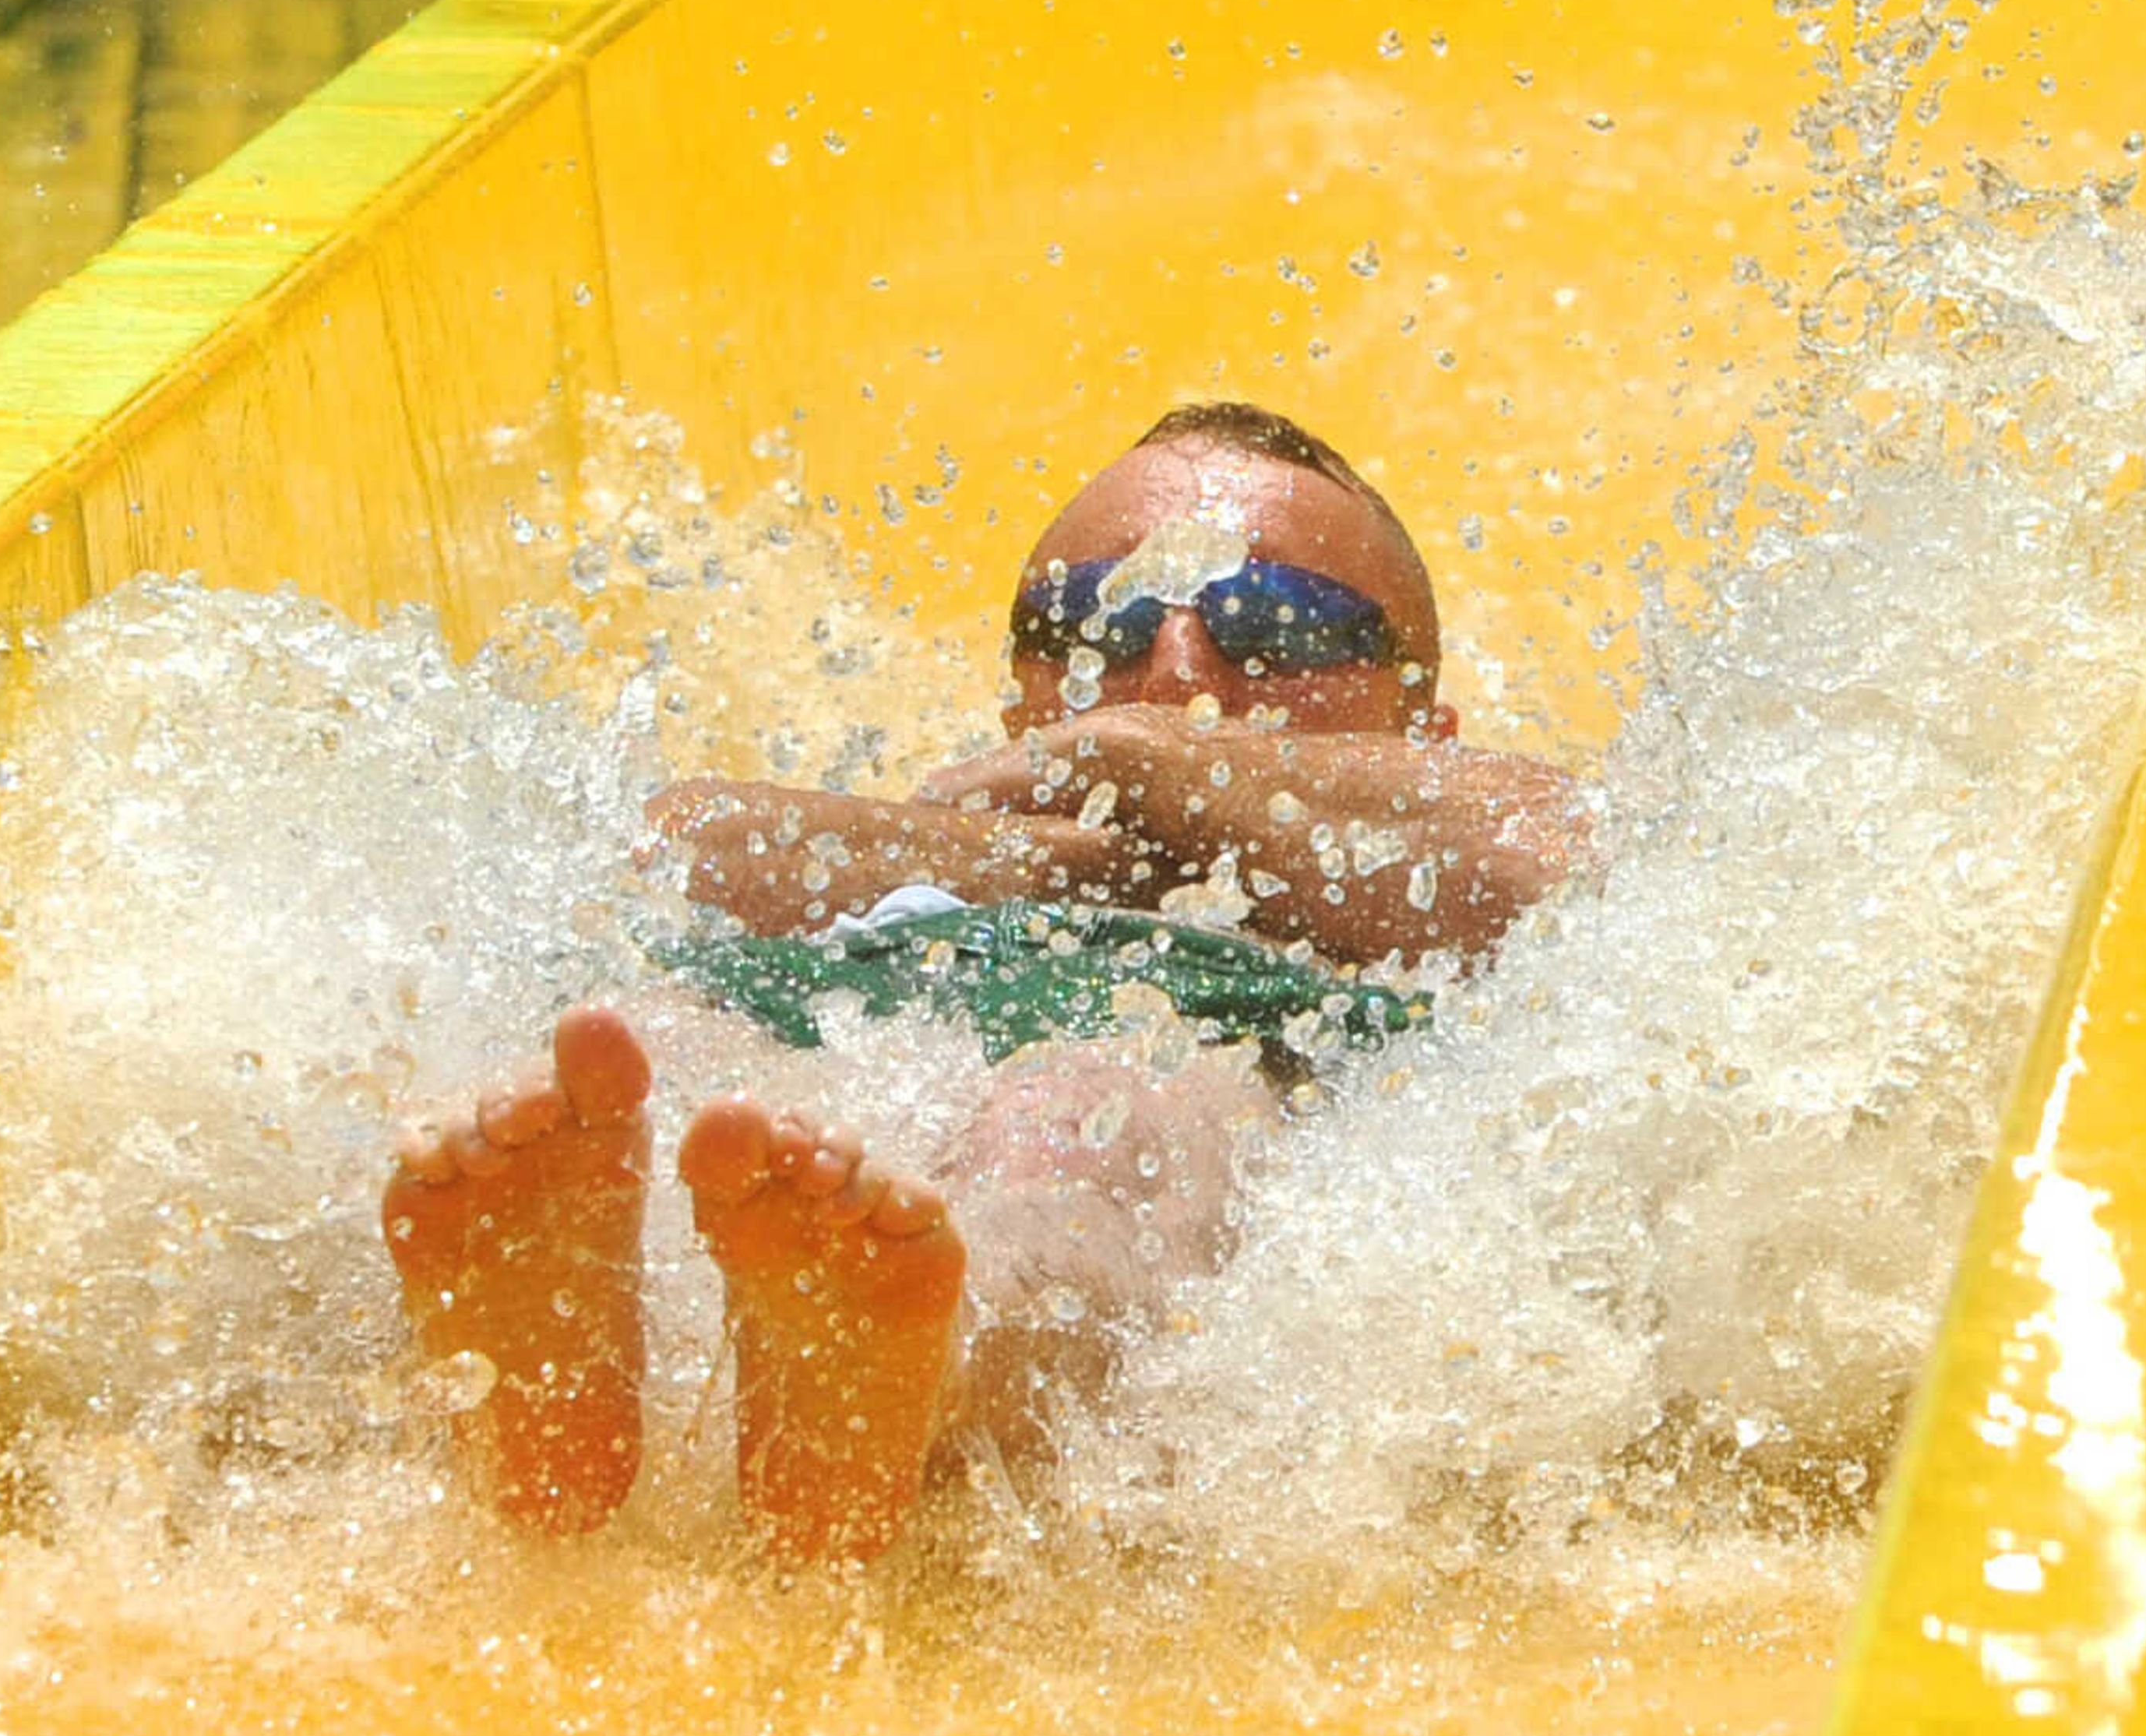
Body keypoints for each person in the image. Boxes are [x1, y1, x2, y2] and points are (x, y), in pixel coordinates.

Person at [379, 403, 1595, 1561]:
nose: (1176, 669)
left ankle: (909, 1362)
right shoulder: (959, 849)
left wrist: (1143, 763)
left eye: (1276, 620)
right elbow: (659, 844)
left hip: (1192, 1042)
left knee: (1071, 1121)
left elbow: (1575, 856)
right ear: (1022, 697)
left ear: (1423, 728)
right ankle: (549, 1366)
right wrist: (1043, 849)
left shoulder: (1433, 856)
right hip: (840, 1015)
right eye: (1097, 624)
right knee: (655, 1059)